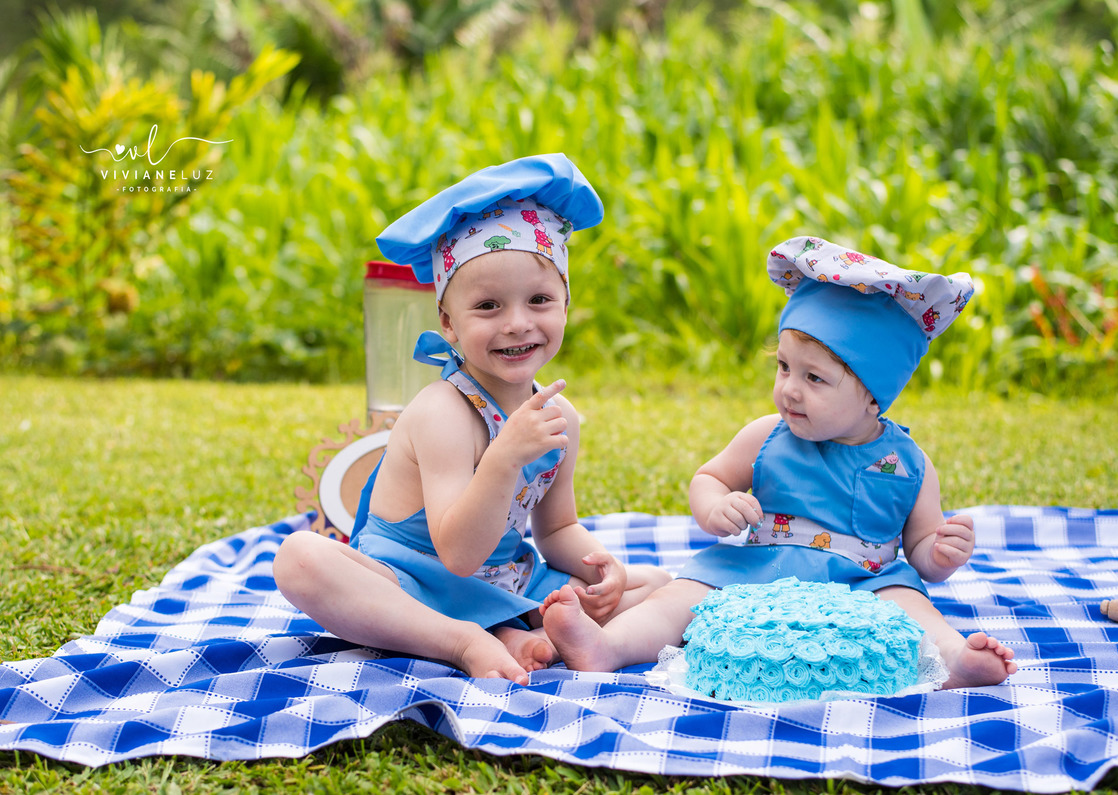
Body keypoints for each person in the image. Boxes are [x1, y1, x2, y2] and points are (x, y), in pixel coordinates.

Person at [543, 235, 1018, 690]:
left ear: (874, 397)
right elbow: (710, 476)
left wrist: (940, 554)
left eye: (814, 377)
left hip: (864, 584)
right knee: (682, 598)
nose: (790, 388)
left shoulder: (909, 464)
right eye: (784, 367)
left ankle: (954, 659)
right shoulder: (767, 434)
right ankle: (608, 646)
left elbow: (921, 548)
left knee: (910, 607)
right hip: (756, 566)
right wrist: (715, 507)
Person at [274, 154, 669, 685]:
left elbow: (556, 529)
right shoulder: (444, 412)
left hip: (505, 579)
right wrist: (504, 457)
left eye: (539, 299)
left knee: (657, 583)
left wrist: (601, 566)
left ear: (566, 304)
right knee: (299, 559)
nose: (517, 323)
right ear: (449, 323)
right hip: (412, 582)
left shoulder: (560, 419)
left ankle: (529, 628)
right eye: (487, 306)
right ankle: (464, 641)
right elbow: (457, 554)